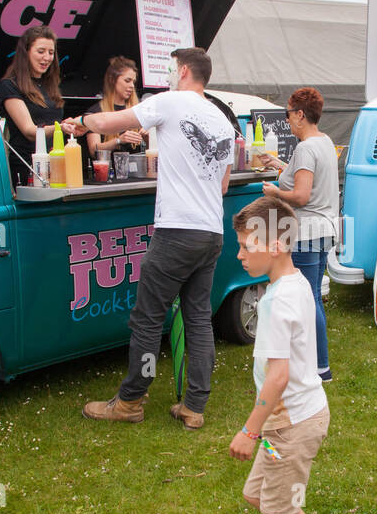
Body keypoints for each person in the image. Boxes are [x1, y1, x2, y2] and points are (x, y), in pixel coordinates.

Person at [81, 47, 235, 426]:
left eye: (170, 69)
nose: (166, 75)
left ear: (183, 71)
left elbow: (106, 122)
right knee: (199, 318)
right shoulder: (221, 118)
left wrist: (81, 120)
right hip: (210, 230)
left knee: (148, 318)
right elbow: (224, 185)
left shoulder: (170, 101)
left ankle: (132, 399)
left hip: (177, 230)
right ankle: (194, 407)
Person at [228, 196, 352, 514]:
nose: (239, 254)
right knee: (259, 496)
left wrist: (249, 430)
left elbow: (278, 377)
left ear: (274, 245)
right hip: (292, 419)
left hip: (291, 425)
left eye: (245, 246)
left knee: (281, 509)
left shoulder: (278, 302)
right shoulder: (294, 285)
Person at [259, 87, 339, 383]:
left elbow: (303, 195)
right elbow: (309, 180)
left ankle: (319, 367)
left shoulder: (305, 147)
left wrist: (275, 191)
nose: (288, 120)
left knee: (309, 299)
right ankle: (318, 365)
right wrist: (279, 165)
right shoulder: (324, 141)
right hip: (326, 228)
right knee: (313, 297)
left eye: (288, 114)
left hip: (307, 231)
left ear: (301, 114)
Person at [0, 25, 73, 187]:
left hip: (56, 164)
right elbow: (29, 131)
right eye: (41, 51)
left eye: (51, 53)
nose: (46, 57)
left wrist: (73, 125)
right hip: (28, 167)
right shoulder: (9, 85)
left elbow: (55, 124)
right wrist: (60, 127)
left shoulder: (49, 85)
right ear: (26, 52)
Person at [85, 56, 146, 157]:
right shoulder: (96, 111)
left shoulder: (138, 109)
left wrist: (148, 137)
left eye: (133, 82)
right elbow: (93, 149)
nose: (132, 86)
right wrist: (118, 141)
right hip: (108, 169)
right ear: (112, 80)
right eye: (127, 80)